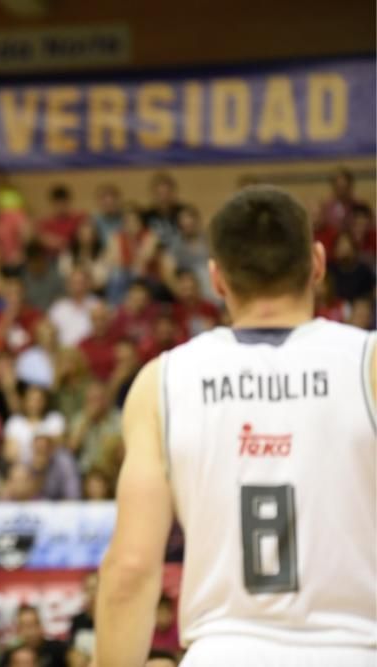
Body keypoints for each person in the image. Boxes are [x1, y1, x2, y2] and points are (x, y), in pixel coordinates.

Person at [96, 186, 377, 666]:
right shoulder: (368, 365)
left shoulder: (163, 382)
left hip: (224, 651)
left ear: (217, 278)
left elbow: (131, 569)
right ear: (317, 263)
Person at [0, 605, 67, 667]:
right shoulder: (11, 653)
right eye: (25, 626)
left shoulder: (57, 649)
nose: (30, 631)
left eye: (33, 624)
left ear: (41, 626)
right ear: (18, 630)